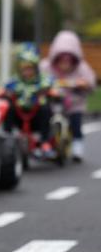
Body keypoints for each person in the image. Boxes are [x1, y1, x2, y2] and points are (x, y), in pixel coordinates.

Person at [40, 30, 97, 162]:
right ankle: (46, 142)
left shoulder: (82, 68)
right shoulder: (46, 66)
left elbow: (91, 82)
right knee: (45, 118)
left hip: (75, 104)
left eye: (68, 60)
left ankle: (78, 145)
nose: (65, 64)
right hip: (53, 102)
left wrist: (83, 84)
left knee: (76, 122)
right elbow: (39, 79)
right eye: (62, 60)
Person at [0, 43, 56, 159]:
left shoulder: (43, 80)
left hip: (37, 117)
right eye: (24, 69)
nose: (27, 72)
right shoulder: (14, 81)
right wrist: (2, 92)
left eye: (30, 69)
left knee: (45, 107)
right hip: (19, 116)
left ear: (35, 68)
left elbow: (54, 87)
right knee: (8, 107)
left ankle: (44, 142)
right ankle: (7, 136)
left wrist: (51, 92)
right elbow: (2, 89)